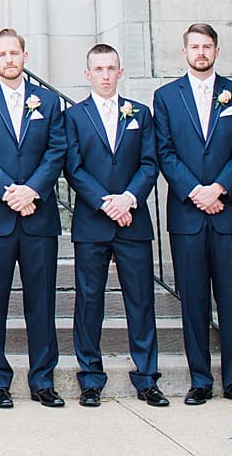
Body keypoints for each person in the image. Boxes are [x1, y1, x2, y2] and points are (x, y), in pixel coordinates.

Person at [152, 23, 232, 407]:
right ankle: (200, 378)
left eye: (207, 46)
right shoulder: (165, 97)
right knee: (193, 299)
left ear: (216, 51)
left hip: (229, 213)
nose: (201, 52)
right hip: (187, 214)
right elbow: (164, 152)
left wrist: (219, 189)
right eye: (194, 46)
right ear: (184, 52)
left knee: (231, 297)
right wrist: (196, 191)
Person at [0, 28, 67, 409]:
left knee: (41, 301)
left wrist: (32, 191)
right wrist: (9, 191)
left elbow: (57, 150)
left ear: (25, 56)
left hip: (38, 216)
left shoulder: (49, 102)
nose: (9, 59)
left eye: (14, 53)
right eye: (2, 54)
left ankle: (43, 379)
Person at [64, 43, 166, 408]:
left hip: (133, 222)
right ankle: (90, 378)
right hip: (93, 224)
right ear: (87, 74)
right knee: (89, 301)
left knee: (140, 301)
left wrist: (129, 199)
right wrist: (107, 203)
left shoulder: (140, 113)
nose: (106, 75)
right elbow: (73, 168)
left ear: (120, 72)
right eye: (99, 69)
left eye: (111, 69)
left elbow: (150, 163)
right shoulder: (74, 117)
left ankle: (147, 377)